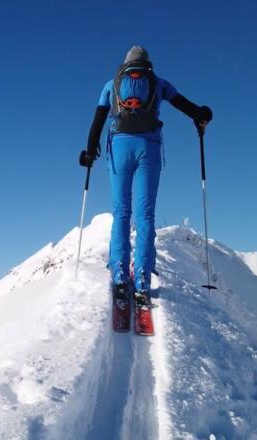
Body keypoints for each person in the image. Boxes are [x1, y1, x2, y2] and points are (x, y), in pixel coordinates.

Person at [79, 45, 212, 303]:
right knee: (145, 214)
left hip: (119, 147)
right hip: (148, 148)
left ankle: (119, 276)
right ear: (147, 62)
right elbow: (187, 107)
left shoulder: (111, 85)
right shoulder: (159, 83)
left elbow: (97, 121)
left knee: (121, 212)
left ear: (125, 64)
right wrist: (202, 115)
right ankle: (142, 278)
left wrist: (89, 151)